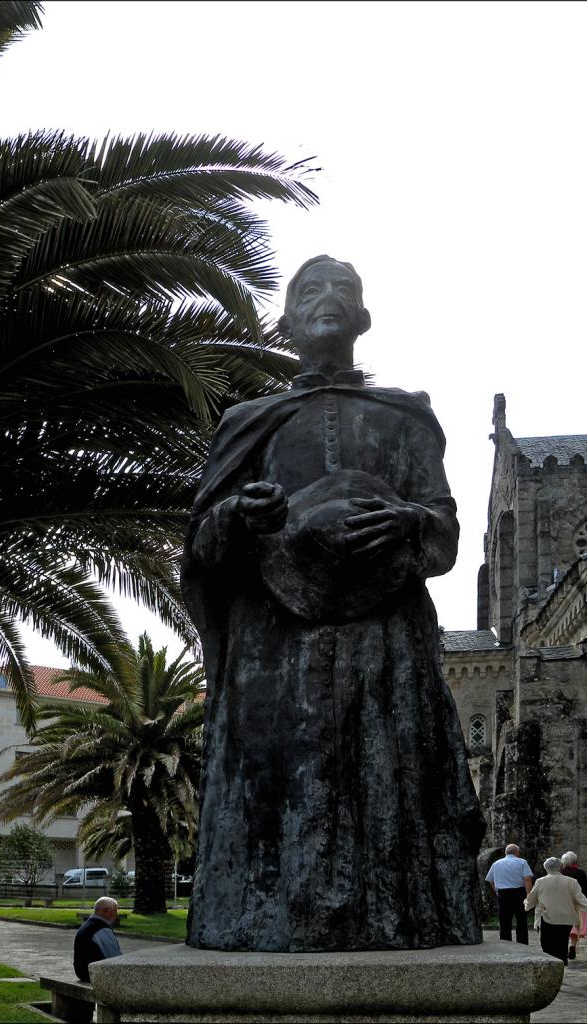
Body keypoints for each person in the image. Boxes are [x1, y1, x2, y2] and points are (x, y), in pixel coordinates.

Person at [182, 255, 486, 952]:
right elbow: (201, 544)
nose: (329, 298)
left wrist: (410, 521)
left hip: (382, 637)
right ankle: (256, 919)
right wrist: (237, 513)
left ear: (364, 318)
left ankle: (401, 917)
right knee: (277, 784)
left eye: (344, 288)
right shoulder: (248, 421)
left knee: (384, 779)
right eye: (310, 290)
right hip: (273, 641)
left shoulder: (406, 415)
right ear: (286, 322)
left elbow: (444, 536)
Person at [525, 857, 587, 965]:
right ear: (560, 867)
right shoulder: (571, 882)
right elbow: (581, 899)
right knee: (562, 943)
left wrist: (527, 906)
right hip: (566, 919)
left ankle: (551, 967)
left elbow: (531, 898)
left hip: (548, 918)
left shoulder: (540, 881)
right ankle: (561, 964)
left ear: (546, 868)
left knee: (547, 945)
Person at [485, 843, 534, 945]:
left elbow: (490, 880)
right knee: (521, 920)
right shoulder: (522, 862)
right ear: (517, 852)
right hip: (519, 893)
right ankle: (522, 944)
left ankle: (506, 944)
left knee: (504, 921)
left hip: (503, 894)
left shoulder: (496, 863)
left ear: (505, 852)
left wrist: (497, 892)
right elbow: (527, 879)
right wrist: (529, 896)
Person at [73, 897, 123, 982]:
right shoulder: (101, 929)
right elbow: (116, 958)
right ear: (109, 911)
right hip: (94, 973)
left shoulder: (87, 925)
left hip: (82, 972)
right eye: (115, 910)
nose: (116, 914)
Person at [561, 851, 587, 959]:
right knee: (575, 927)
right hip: (578, 903)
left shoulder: (560, 872)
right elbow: (586, 889)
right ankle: (572, 946)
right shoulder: (580, 872)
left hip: (563, 903)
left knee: (563, 926)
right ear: (575, 861)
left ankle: (563, 948)